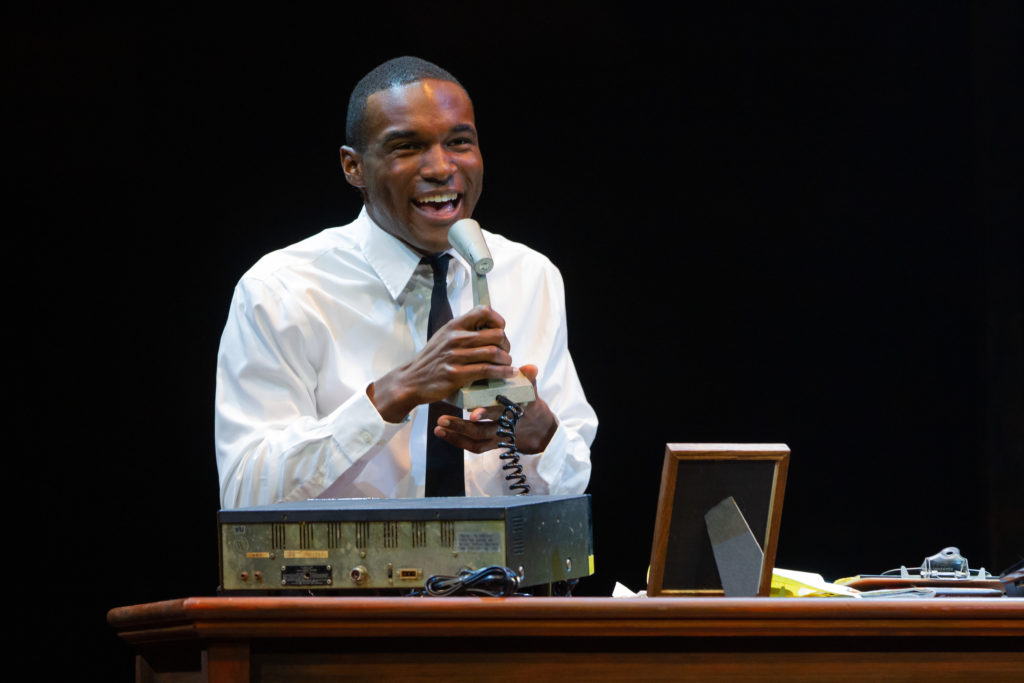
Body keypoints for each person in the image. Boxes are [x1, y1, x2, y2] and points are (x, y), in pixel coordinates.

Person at [215, 56, 597, 508]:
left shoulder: (531, 275)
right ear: (352, 166)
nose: (440, 167)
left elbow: (575, 484)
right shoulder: (282, 289)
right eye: (407, 147)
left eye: (459, 141)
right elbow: (243, 494)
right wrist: (393, 394)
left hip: (502, 578)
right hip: (345, 579)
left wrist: (540, 435)